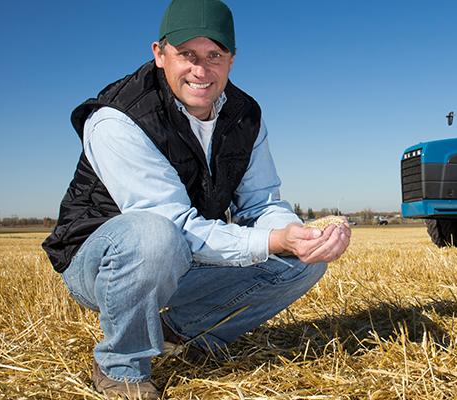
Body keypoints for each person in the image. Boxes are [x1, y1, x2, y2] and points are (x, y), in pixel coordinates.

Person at [42, 0, 351, 398]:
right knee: (154, 237)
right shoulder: (117, 118)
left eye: (214, 56)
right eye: (187, 54)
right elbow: (172, 225)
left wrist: (299, 235)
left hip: (184, 254)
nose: (201, 71)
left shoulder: (244, 115)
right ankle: (121, 367)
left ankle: (179, 332)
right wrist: (273, 240)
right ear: (159, 54)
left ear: (231, 59)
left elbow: (261, 203)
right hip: (104, 262)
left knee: (304, 264)